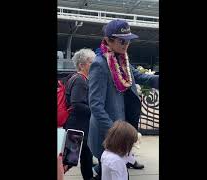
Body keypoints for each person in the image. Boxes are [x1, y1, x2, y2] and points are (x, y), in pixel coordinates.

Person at [87, 19, 159, 179]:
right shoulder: (99, 65)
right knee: (115, 174)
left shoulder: (123, 60)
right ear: (108, 40)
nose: (126, 44)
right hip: (108, 134)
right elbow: (96, 106)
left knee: (113, 173)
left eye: (129, 40)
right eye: (122, 40)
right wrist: (117, 133)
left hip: (121, 130)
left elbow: (140, 76)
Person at [64, 48, 96, 180]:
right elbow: (76, 104)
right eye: (91, 62)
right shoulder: (79, 80)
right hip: (77, 127)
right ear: (81, 65)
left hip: (80, 126)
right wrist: (95, 110)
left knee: (86, 157)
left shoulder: (80, 78)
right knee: (68, 160)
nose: (94, 64)